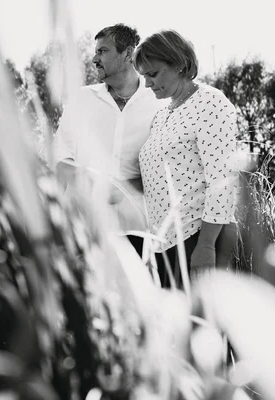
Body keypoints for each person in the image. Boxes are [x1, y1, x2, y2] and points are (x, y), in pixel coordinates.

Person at [133, 29, 238, 287]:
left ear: (179, 64)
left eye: (153, 74)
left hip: (197, 239)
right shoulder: (161, 116)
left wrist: (205, 246)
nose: (147, 84)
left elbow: (222, 181)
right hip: (164, 245)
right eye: (144, 76)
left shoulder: (211, 103)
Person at [53, 23, 164, 256]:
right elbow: (60, 159)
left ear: (128, 54)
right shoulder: (81, 99)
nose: (94, 59)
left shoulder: (159, 103)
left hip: (139, 233)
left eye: (102, 51)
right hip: (83, 229)